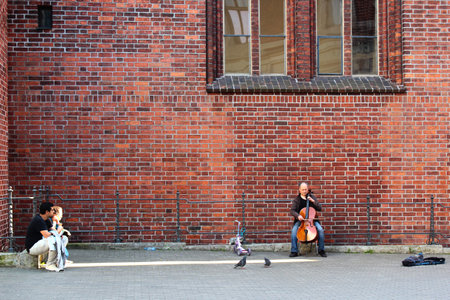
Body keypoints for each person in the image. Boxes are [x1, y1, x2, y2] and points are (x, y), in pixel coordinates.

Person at [25, 202, 68, 271]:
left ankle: (57, 261)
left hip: (41, 244)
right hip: (33, 247)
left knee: (64, 238)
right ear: (47, 212)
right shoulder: (38, 220)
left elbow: (53, 230)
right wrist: (57, 231)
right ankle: (50, 264)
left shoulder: (47, 220)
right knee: (52, 240)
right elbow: (46, 235)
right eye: (52, 210)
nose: (54, 212)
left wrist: (58, 223)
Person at [289, 182, 327, 257]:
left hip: (312, 221)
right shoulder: (297, 199)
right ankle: (294, 251)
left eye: (306, 189)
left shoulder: (312, 197)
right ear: (299, 190)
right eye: (303, 190)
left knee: (320, 230)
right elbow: (292, 211)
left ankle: (321, 250)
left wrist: (313, 201)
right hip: (301, 221)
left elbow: (320, 208)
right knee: (294, 231)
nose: (304, 191)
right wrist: (298, 216)